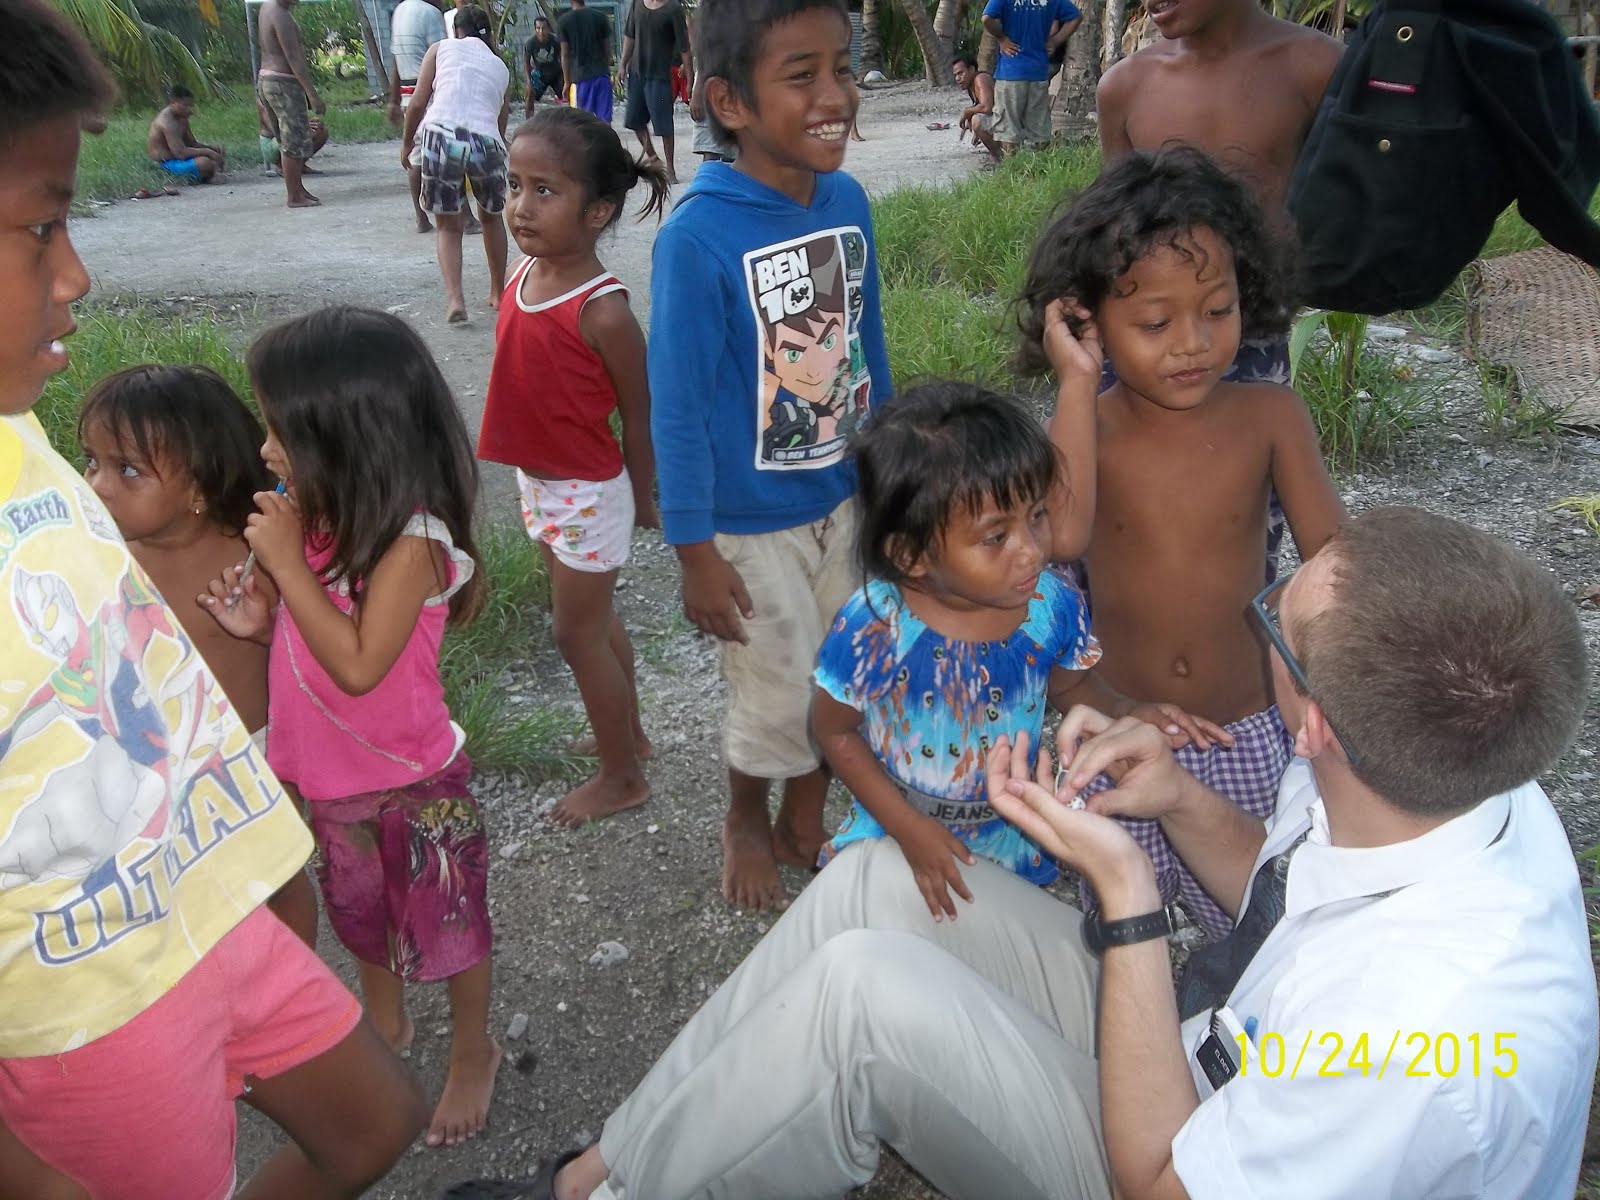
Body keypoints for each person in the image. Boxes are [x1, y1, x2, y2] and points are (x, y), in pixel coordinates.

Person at [452, 505, 1596, 1200]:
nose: (1260, 620)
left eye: (1272, 624)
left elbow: (1161, 1181)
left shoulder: (1429, 1042)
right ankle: (604, 1169)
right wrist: (1183, 800)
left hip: (1181, 1160)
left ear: (1312, 723)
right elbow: (1289, 891)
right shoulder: (1448, 771)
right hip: (1223, 1058)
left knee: (863, 999)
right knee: (874, 879)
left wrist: (1129, 893)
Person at [0, 3, 428, 1194]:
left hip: (200, 914)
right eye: (43, 229)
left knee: (374, 1121)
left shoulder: (20, 444)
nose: (76, 270)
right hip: (86, 1005)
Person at [1016, 146, 1344, 937]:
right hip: (1120, 720)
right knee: (1125, 928)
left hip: (1249, 726)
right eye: (1156, 323)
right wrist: (1072, 379)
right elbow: (1062, 533)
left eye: (1218, 310)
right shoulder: (1085, 426)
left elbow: (1336, 563)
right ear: (1090, 321)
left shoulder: (1271, 418)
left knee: (1258, 923)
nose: (1192, 342)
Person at [198, 306, 501, 1150]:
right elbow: (313, 641)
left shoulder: (413, 542)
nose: (265, 450)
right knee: (361, 910)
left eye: (278, 431)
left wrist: (290, 568)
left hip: (411, 782)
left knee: (448, 924)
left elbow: (362, 665)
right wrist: (266, 620)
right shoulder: (326, 526)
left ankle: (472, 1048)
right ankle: (387, 1018)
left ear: (345, 435)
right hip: (330, 783)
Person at [812, 383, 1225, 919]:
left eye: (1036, 516)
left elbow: (1069, 683)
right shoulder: (878, 627)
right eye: (995, 537)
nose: (1033, 550)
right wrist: (911, 832)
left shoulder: (1049, 605)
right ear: (912, 555)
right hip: (901, 830)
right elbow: (833, 730)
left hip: (1011, 831)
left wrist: (1125, 712)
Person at [647, 0, 890, 912]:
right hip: (749, 524)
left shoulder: (848, 201)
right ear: (730, 102)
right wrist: (694, 550)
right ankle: (747, 812)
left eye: (842, 66)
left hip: (847, 493)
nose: (836, 95)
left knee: (846, 667)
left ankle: (807, 808)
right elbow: (674, 405)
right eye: (802, 76)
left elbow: (868, 346)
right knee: (773, 689)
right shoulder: (698, 235)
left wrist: (893, 473)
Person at [77, 364, 319, 949]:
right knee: (182, 891)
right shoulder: (96, 554)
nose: (97, 484)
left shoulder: (257, 554)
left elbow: (312, 653)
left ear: (199, 490)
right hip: (149, 767)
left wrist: (266, 632)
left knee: (275, 879)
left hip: (248, 758)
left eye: (127, 469)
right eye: (92, 461)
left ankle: (296, 999)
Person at [478, 107, 669, 825]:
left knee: (574, 631)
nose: (521, 207)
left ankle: (622, 777)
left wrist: (644, 493)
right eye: (514, 185)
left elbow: (640, 410)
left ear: (598, 211)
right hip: (544, 483)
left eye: (544, 191)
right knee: (593, 619)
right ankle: (632, 736)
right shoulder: (525, 272)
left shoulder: (604, 311)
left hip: (589, 492)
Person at [401, 4, 511, 323]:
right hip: (485, 140)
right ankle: (498, 293)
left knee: (448, 226)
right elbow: (499, 118)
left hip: (440, 136)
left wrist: (408, 143)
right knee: (491, 218)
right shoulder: (498, 65)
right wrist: (492, 148)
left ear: (456, 30)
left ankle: (455, 301)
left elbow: (419, 102)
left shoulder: (441, 49)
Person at [980, 0, 1081, 155]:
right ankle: (1040, 172)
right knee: (1039, 130)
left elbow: (987, 18)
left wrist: (1002, 39)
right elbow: (1076, 17)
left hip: (1011, 72)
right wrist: (1055, 41)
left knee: (1008, 129)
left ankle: (1013, 172)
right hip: (1038, 72)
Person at [256, 0, 326, 208]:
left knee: (288, 139)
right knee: (292, 141)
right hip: (282, 82)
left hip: (267, 79)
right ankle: (294, 196)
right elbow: (294, 58)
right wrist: (312, 94)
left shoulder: (267, 7)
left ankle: (298, 189)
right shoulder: (281, 15)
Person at [388, 0, 446, 231]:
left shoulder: (400, 11)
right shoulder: (430, 13)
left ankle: (421, 216)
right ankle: (462, 215)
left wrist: (393, 99)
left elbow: (394, 58)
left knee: (416, 154)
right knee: (442, 152)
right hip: (427, 88)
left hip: (406, 89)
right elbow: (441, 56)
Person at [619, 0, 691, 182]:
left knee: (664, 125)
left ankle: (671, 168)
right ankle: (653, 159)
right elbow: (630, 36)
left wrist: (690, 79)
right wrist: (622, 64)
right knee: (635, 121)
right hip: (636, 72)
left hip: (660, 75)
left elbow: (684, 46)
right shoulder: (637, 4)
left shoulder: (673, 9)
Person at [145, 84, 224, 182]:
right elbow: (180, 153)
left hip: (180, 158)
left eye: (190, 106)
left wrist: (212, 149)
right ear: (173, 102)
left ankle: (205, 174)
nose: (189, 109)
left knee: (216, 152)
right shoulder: (167, 123)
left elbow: (191, 143)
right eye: (185, 105)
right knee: (205, 162)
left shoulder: (181, 117)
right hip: (168, 162)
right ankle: (203, 175)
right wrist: (208, 152)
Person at [559, 0, 615, 123]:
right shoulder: (600, 17)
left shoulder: (564, 21)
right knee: (605, 122)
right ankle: (606, 142)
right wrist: (606, 69)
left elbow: (565, 54)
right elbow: (607, 49)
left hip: (580, 79)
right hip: (601, 75)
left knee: (583, 124)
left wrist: (567, 82)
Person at [258, 94, 327, 175]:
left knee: (320, 130)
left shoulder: (285, 93)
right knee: (298, 133)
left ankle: (299, 165)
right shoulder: (263, 102)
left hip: (289, 130)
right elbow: (275, 129)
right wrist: (301, 126)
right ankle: (282, 166)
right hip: (272, 142)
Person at [952, 52, 998, 160]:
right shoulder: (970, 86)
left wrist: (967, 112)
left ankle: (1000, 157)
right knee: (975, 119)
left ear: (972, 70)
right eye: (955, 75)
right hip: (1002, 120)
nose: (957, 78)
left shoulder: (980, 79)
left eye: (960, 73)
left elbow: (987, 107)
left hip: (1009, 121)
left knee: (977, 121)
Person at [524, 15, 565, 115]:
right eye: (538, 28)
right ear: (535, 29)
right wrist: (529, 82)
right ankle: (528, 120)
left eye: (543, 28)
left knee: (569, 93)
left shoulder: (555, 40)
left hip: (556, 73)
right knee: (529, 94)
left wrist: (567, 79)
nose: (541, 31)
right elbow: (526, 63)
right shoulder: (530, 43)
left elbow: (563, 58)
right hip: (540, 74)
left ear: (548, 28)